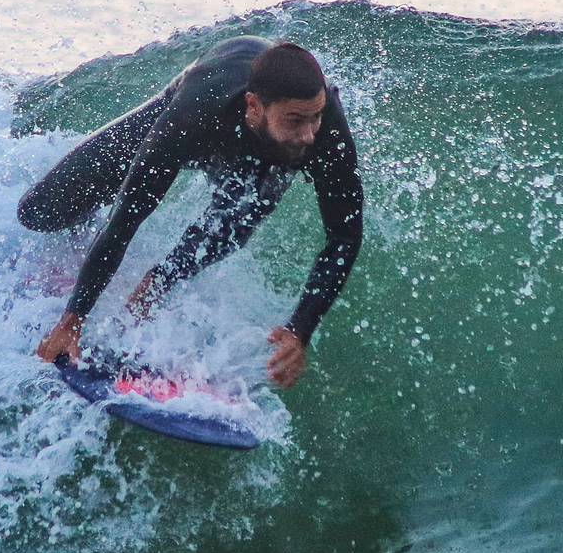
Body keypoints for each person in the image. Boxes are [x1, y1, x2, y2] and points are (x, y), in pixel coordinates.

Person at [19, 36, 364, 388]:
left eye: (316, 117)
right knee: (38, 212)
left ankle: (157, 282)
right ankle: (82, 249)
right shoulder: (193, 114)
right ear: (254, 106)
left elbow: (345, 236)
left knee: (235, 222)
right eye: (295, 120)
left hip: (267, 157)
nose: (308, 135)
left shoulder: (324, 134)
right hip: (200, 106)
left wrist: (299, 330)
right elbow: (128, 216)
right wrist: (72, 321)